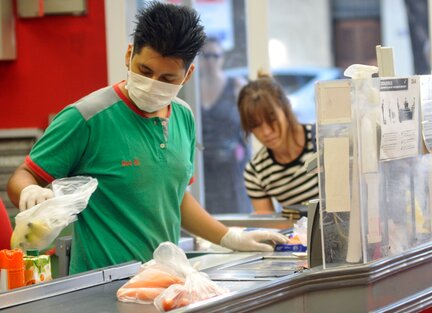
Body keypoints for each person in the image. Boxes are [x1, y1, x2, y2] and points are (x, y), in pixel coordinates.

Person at [6, 2, 286, 275]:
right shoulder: (87, 117)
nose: (153, 83)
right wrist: (30, 192)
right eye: (145, 71)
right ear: (129, 55)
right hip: (100, 290)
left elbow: (176, 198)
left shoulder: (184, 117)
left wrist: (229, 237)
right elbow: (23, 176)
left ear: (188, 75)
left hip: (163, 282)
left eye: (167, 78)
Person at [237, 72, 319, 214]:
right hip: (296, 235)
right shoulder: (256, 172)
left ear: (286, 108)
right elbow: (270, 226)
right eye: (255, 125)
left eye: (272, 119)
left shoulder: (320, 140)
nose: (266, 132)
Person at [199, 37, 251, 214]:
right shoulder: (191, 89)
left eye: (215, 56)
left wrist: (243, 150)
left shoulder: (236, 85)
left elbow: (250, 125)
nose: (210, 61)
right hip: (203, 167)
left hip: (231, 169)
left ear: (222, 58)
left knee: (237, 217)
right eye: (206, 56)